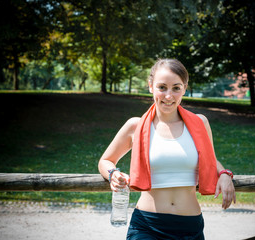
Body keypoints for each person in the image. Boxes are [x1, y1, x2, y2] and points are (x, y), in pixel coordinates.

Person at [98, 58, 236, 239]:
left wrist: (224, 174)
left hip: (190, 227)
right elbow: (105, 160)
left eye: (176, 88)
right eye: (162, 87)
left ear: (184, 89)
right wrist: (112, 174)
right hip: (147, 226)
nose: (169, 96)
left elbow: (209, 158)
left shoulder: (200, 123)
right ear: (150, 86)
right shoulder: (135, 126)